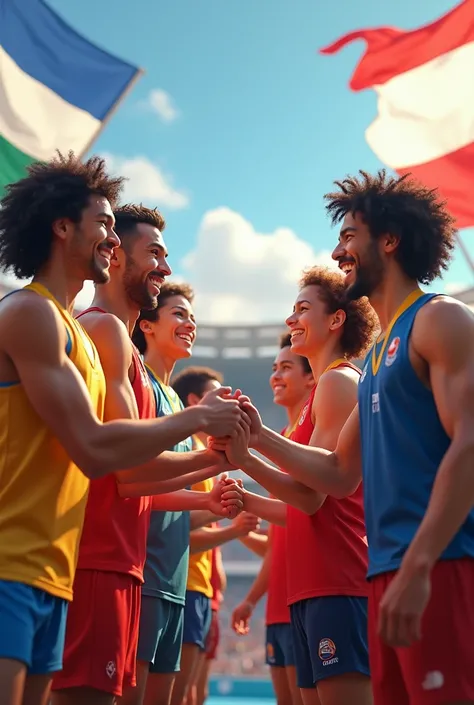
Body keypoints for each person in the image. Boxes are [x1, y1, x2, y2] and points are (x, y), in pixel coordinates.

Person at [238, 171, 474, 705]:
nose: (338, 250)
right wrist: (254, 440)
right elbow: (339, 477)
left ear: (388, 241)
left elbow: (470, 443)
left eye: (348, 236)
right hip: (382, 576)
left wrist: (417, 565)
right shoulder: (374, 361)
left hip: (440, 565)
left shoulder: (440, 319)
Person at [51, 209, 245, 705]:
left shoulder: (124, 347)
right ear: (115, 257)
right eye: (154, 254)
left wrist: (219, 459)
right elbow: (128, 474)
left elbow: (135, 477)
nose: (164, 265)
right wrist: (209, 440)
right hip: (96, 560)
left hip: (126, 564)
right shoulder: (103, 330)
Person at [213, 266, 377, 705]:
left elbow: (318, 491)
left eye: (303, 309)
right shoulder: (322, 392)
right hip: (313, 587)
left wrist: (254, 438)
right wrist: (245, 459)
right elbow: (302, 504)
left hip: (338, 582)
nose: (291, 320)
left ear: (336, 320)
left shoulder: (339, 381)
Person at [131, 292, 257, 705]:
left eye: (192, 316)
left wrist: (219, 470)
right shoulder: (139, 385)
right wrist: (212, 486)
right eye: (178, 314)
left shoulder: (168, 399)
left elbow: (162, 491)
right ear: (146, 325)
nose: (190, 323)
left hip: (173, 581)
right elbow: (135, 481)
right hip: (144, 574)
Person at [232, 333, 313, 705]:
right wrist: (239, 521)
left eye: (286, 367)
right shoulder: (283, 438)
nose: (275, 376)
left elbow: (308, 509)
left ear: (311, 378)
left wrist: (246, 500)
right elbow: (279, 543)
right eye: (274, 368)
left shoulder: (313, 436)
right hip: (284, 606)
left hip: (315, 595)